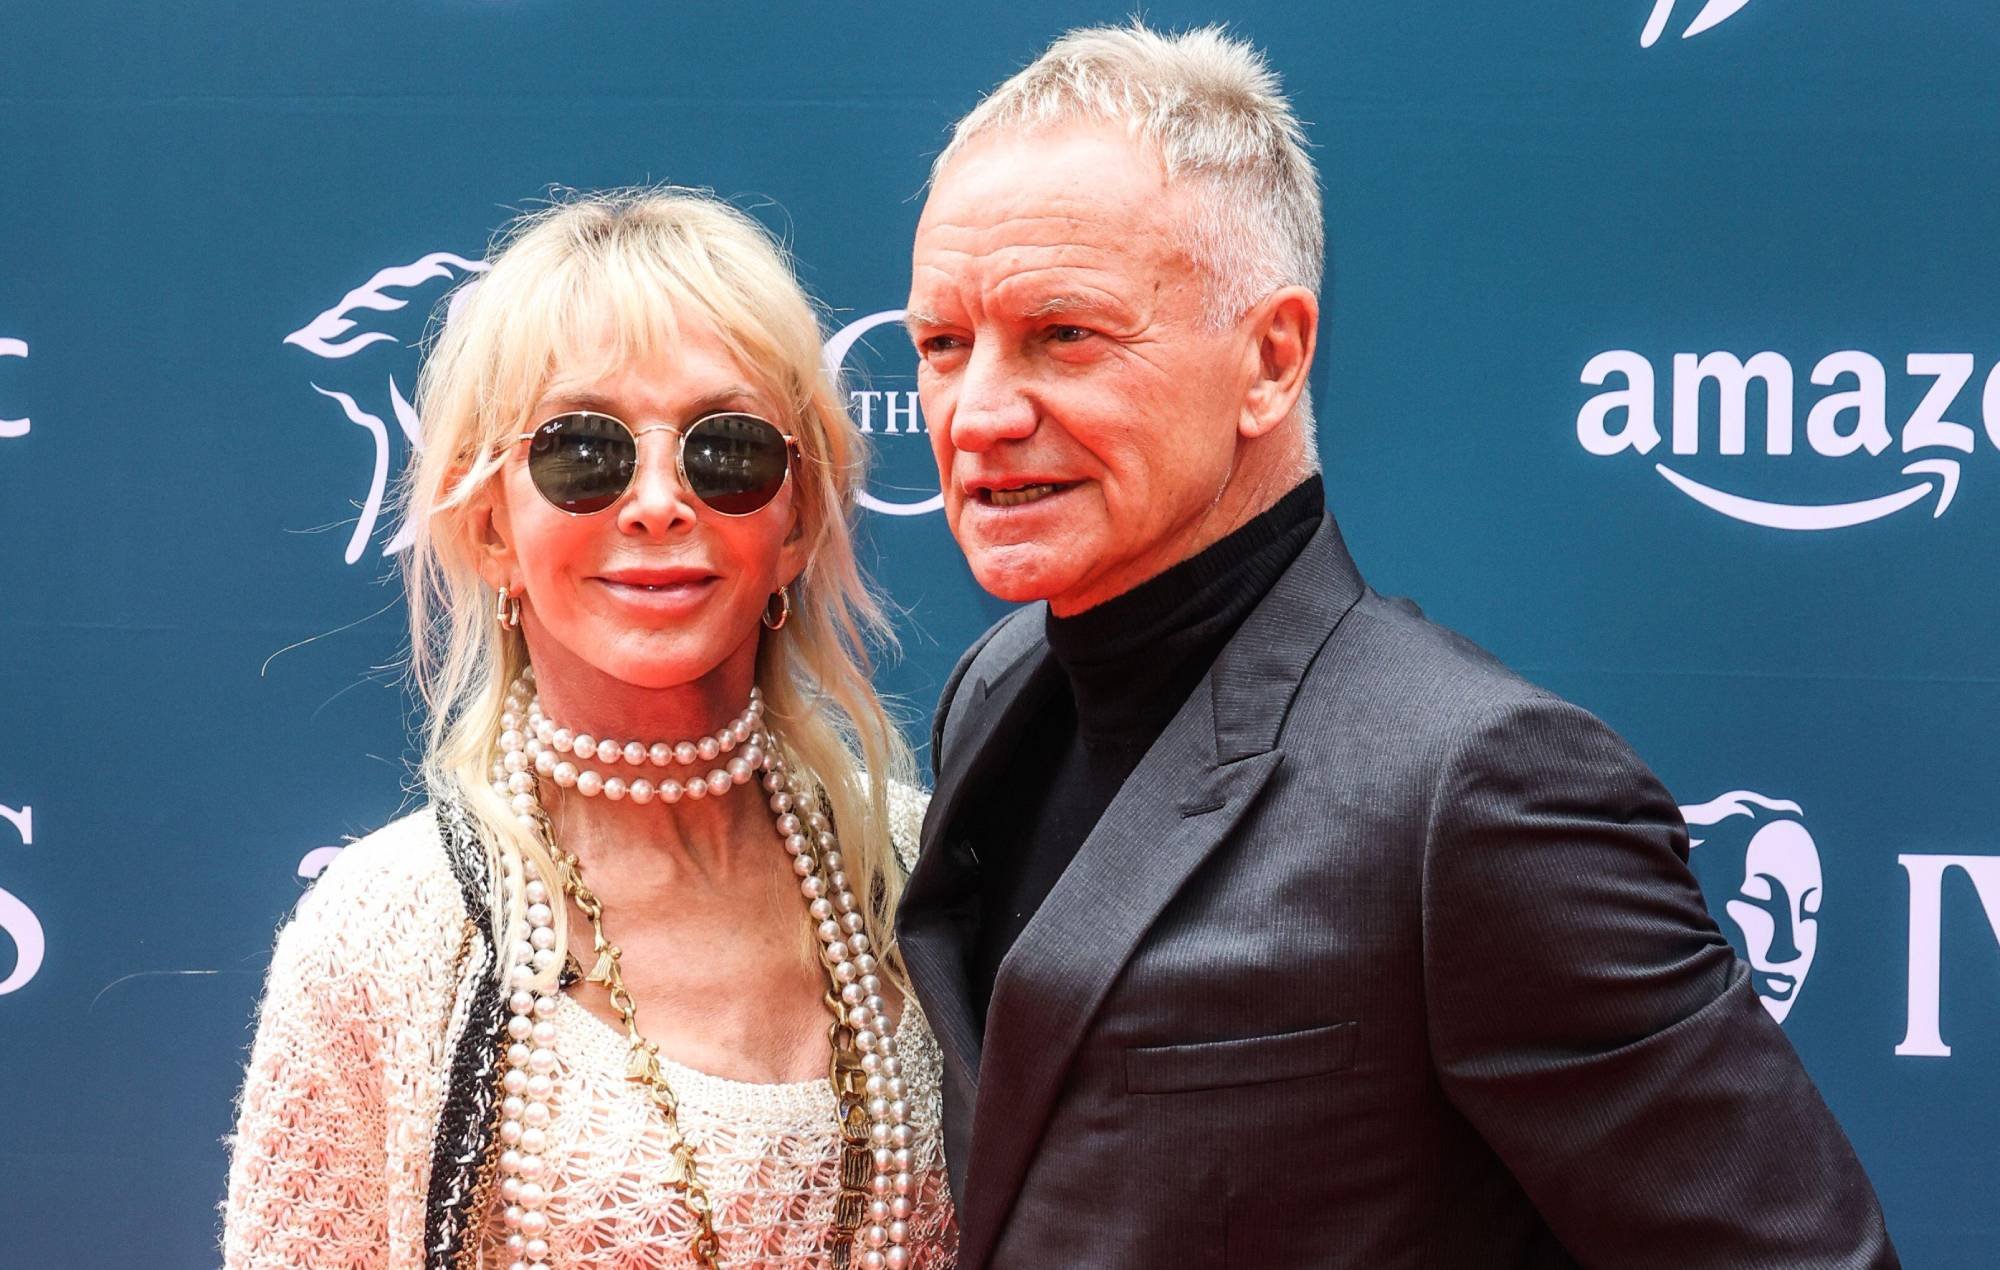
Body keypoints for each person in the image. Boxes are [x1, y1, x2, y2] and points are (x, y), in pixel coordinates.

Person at [897, 23, 1897, 1269]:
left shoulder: (1475, 790)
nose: (979, 412)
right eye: (942, 344)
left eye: (1065, 334)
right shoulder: (994, 691)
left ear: (1271, 358)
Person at [224, 189, 957, 1269]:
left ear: (797, 518)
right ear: (489, 525)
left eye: (726, 450)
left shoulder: (929, 873)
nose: (658, 501)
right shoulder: (385, 938)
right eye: (582, 452)